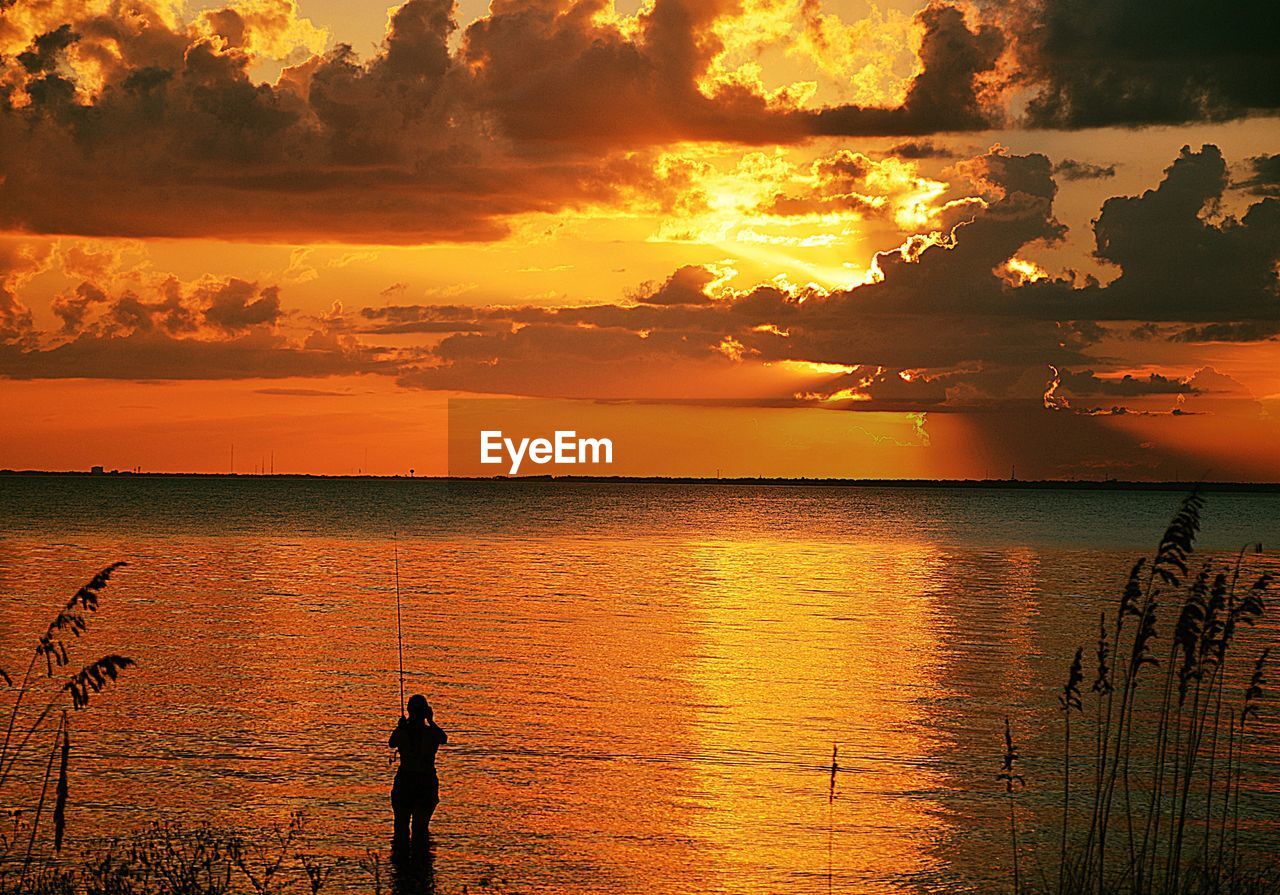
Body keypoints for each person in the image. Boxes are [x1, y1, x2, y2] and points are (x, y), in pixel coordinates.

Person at [389, 694, 448, 865]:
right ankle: (421, 868)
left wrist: (401, 726)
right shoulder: (431, 733)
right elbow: (443, 738)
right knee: (420, 829)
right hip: (425, 782)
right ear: (426, 712)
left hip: (405, 781)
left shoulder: (402, 733)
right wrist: (431, 720)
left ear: (409, 711)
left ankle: (400, 867)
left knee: (400, 827)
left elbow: (391, 743)